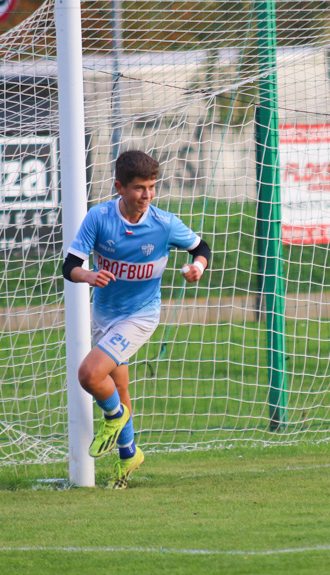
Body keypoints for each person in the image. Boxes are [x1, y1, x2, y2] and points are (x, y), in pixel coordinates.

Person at [62, 150, 211, 487]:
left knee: (89, 374)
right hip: (103, 315)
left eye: (152, 187)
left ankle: (114, 418)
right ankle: (129, 458)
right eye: (139, 188)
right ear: (119, 187)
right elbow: (69, 264)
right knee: (119, 386)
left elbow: (202, 248)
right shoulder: (99, 218)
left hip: (141, 316)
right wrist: (88, 276)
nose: (147, 196)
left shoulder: (164, 223)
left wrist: (196, 267)